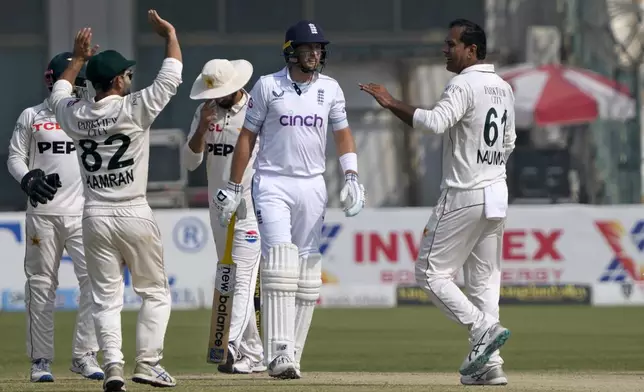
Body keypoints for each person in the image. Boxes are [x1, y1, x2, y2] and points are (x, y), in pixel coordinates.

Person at [360, 19, 516, 386]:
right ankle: (491, 365)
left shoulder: (463, 83)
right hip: (496, 192)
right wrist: (487, 169)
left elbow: (433, 122)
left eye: (451, 44)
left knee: (429, 273)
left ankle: (482, 330)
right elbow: (507, 143)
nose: (445, 50)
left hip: (464, 191)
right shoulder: (503, 87)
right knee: (483, 282)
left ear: (472, 51)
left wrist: (389, 101)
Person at [213, 20, 366, 379]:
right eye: (307, 48)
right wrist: (235, 188)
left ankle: (292, 354)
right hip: (272, 183)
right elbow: (247, 138)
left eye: (318, 49)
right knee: (280, 261)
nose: (315, 53)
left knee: (308, 270)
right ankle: (277, 352)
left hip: (312, 185)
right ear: (290, 51)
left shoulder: (330, 89)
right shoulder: (268, 86)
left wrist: (352, 177)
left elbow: (343, 135)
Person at [49, 10, 183, 392]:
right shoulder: (133, 107)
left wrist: (77, 59)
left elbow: (60, 91)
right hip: (133, 209)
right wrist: (169, 34)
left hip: (93, 214)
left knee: (106, 299)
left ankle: (112, 367)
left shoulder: (74, 116)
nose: (130, 78)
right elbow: (171, 74)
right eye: (127, 74)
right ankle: (148, 363)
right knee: (154, 292)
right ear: (118, 81)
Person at [7, 52, 103, 383]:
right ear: (58, 79)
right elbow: (15, 156)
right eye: (76, 76)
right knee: (41, 286)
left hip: (83, 214)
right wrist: (28, 179)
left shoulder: (88, 115)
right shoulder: (32, 115)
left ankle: (84, 354)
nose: (81, 83)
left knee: (96, 283)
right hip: (43, 214)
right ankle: (41, 360)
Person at [183, 58, 265, 374]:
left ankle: (226, 345)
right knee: (229, 274)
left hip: (248, 206)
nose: (217, 97)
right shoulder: (205, 111)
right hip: (219, 209)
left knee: (241, 277)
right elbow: (191, 162)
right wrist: (202, 128)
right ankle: (253, 353)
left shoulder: (256, 110)